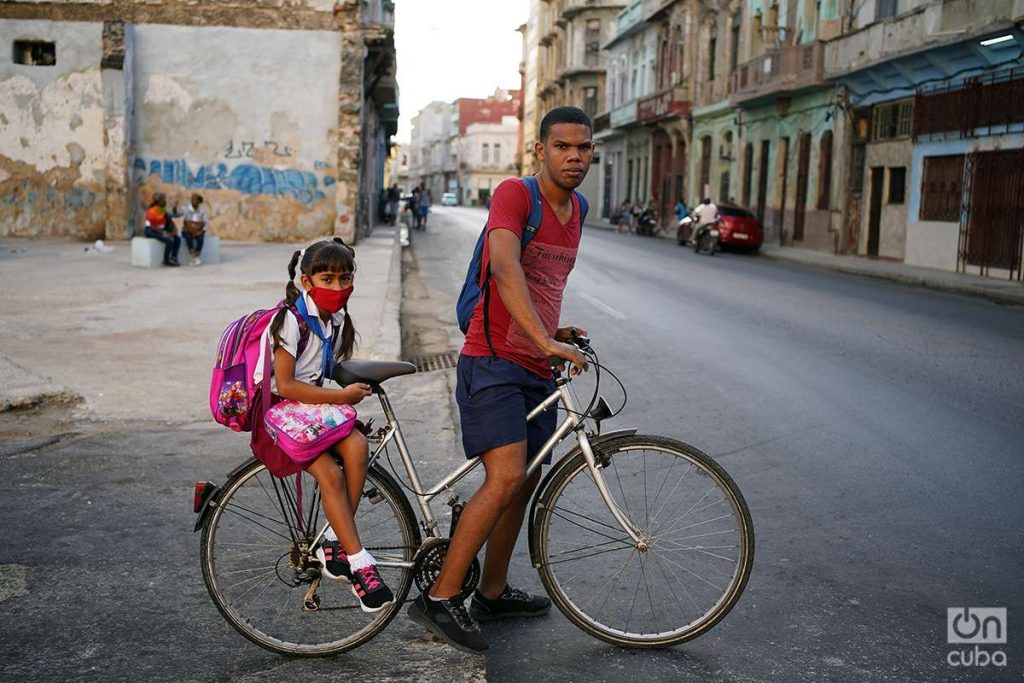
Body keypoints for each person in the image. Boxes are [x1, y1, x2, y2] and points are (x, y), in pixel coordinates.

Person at [407, 106, 592, 654]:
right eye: (563, 146)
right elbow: (506, 268)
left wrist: (551, 333)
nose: (574, 156)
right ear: (541, 150)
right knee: (506, 475)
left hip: (538, 364)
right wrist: (543, 339)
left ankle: (490, 592)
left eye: (583, 147)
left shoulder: (578, 207)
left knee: (525, 483)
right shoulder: (516, 194)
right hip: (492, 360)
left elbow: (541, 283)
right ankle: (439, 599)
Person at [254, 238, 395, 613]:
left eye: (345, 279)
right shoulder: (290, 320)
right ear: (306, 280)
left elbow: (323, 367)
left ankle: (334, 539)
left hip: (310, 411)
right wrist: (342, 397)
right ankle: (361, 564)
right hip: (284, 415)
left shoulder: (334, 318)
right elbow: (285, 385)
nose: (337, 288)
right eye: (327, 279)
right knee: (331, 476)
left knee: (359, 447)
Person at [144, 192, 181, 267]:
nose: (165, 201)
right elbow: (151, 225)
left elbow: (170, 218)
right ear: (158, 201)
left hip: (160, 230)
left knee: (177, 239)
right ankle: (166, 260)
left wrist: (173, 229)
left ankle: (174, 257)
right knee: (170, 240)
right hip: (151, 230)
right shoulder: (152, 211)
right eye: (163, 199)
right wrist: (163, 233)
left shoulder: (162, 209)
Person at [181, 193, 209, 267]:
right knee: (188, 237)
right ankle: (194, 257)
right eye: (192, 199)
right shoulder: (186, 208)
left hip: (198, 230)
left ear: (199, 202)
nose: (193, 201)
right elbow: (177, 214)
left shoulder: (202, 211)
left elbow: (206, 223)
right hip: (188, 230)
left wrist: (201, 231)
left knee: (201, 238)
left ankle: (196, 257)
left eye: (195, 200)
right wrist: (174, 208)